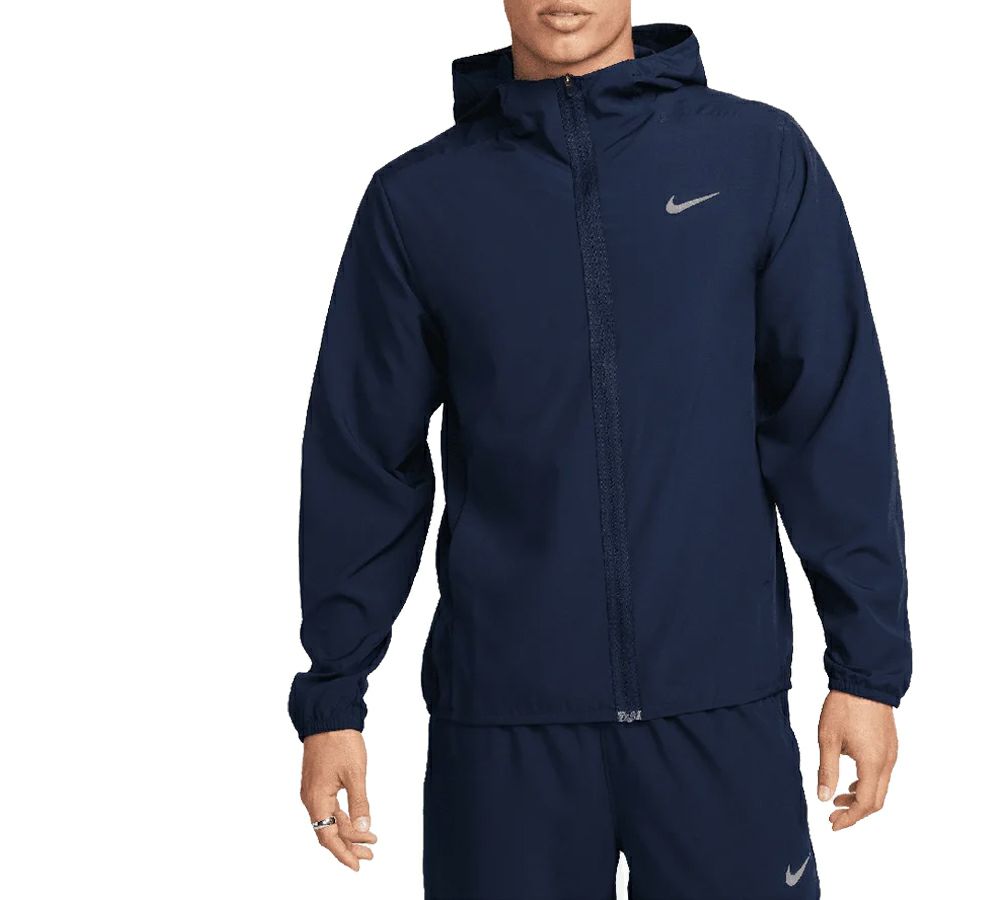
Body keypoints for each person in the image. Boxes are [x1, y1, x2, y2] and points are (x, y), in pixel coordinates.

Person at [290, 2, 911, 896]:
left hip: (719, 710)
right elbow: (362, 459)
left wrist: (866, 670)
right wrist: (333, 697)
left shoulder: (756, 157)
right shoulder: (419, 200)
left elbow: (831, 422)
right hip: (503, 726)